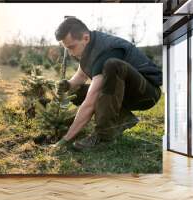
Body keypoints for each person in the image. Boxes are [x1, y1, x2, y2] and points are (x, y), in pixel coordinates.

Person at [54, 17, 162, 151]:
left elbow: (90, 102)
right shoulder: (89, 45)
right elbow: (81, 75)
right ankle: (123, 118)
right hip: (124, 91)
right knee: (78, 91)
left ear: (85, 38)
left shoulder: (105, 50)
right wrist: (69, 85)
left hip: (146, 93)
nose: (70, 53)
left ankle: (103, 137)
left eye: (71, 47)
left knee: (112, 65)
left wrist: (66, 138)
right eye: (67, 48)